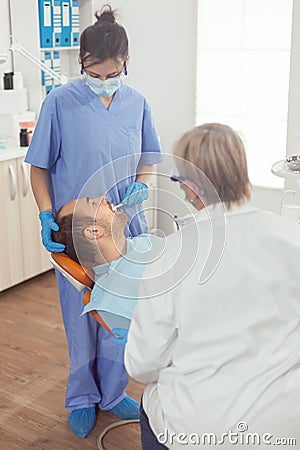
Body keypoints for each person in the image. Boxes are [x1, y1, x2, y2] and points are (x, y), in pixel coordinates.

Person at [25, 4, 162, 439]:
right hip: (75, 232)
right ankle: (82, 396)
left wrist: (142, 187)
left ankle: (114, 391)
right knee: (80, 316)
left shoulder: (137, 103)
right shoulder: (59, 102)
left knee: (117, 316)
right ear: (82, 63)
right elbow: (39, 166)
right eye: (94, 72)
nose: (103, 81)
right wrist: (46, 212)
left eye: (112, 73)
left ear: (125, 63)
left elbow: (148, 160)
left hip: (122, 229)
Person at [124, 123, 300, 449]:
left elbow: (141, 365)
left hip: (198, 428)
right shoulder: (292, 238)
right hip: (285, 427)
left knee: (150, 403)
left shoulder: (170, 256)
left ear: (190, 187)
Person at [52, 195, 163, 337]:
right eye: (92, 203)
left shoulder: (143, 242)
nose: (103, 198)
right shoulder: (112, 300)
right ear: (94, 232)